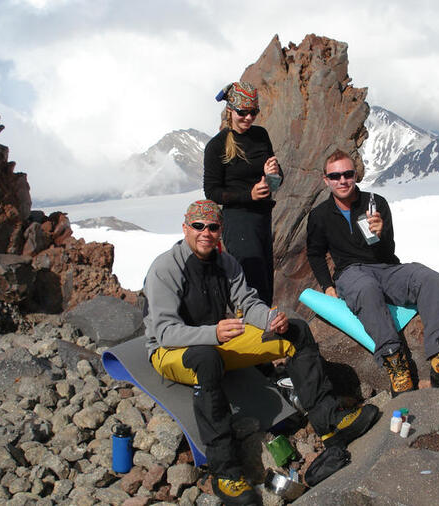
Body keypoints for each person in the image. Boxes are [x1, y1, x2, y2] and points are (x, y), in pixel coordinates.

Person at [143, 200, 378, 505]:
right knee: (207, 358)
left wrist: (270, 319)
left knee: (295, 330)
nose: (206, 233)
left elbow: (248, 303)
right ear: (185, 228)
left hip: (215, 339)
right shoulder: (166, 267)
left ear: (220, 231)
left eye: (213, 227)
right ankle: (225, 473)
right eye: (198, 226)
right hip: (170, 352)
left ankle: (332, 424)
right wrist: (213, 334)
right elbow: (164, 332)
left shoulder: (226, 263)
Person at [306, 150, 439, 397]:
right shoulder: (319, 215)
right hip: (350, 273)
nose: (342, 180)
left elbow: (388, 251)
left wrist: (381, 234)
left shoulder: (376, 203)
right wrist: (327, 286)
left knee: (431, 279)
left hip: (386, 268)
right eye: (335, 175)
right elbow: (315, 254)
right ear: (326, 179)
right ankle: (396, 364)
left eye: (348, 174)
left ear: (355, 176)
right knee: (365, 288)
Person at [203, 81, 282, 306]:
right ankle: (255, 330)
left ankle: (262, 332)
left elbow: (276, 181)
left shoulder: (260, 135)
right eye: (242, 112)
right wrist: (250, 195)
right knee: (252, 279)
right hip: (238, 220)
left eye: (253, 112)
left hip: (263, 218)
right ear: (230, 110)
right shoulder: (216, 146)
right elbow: (212, 191)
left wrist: (272, 176)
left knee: (265, 278)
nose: (248, 118)